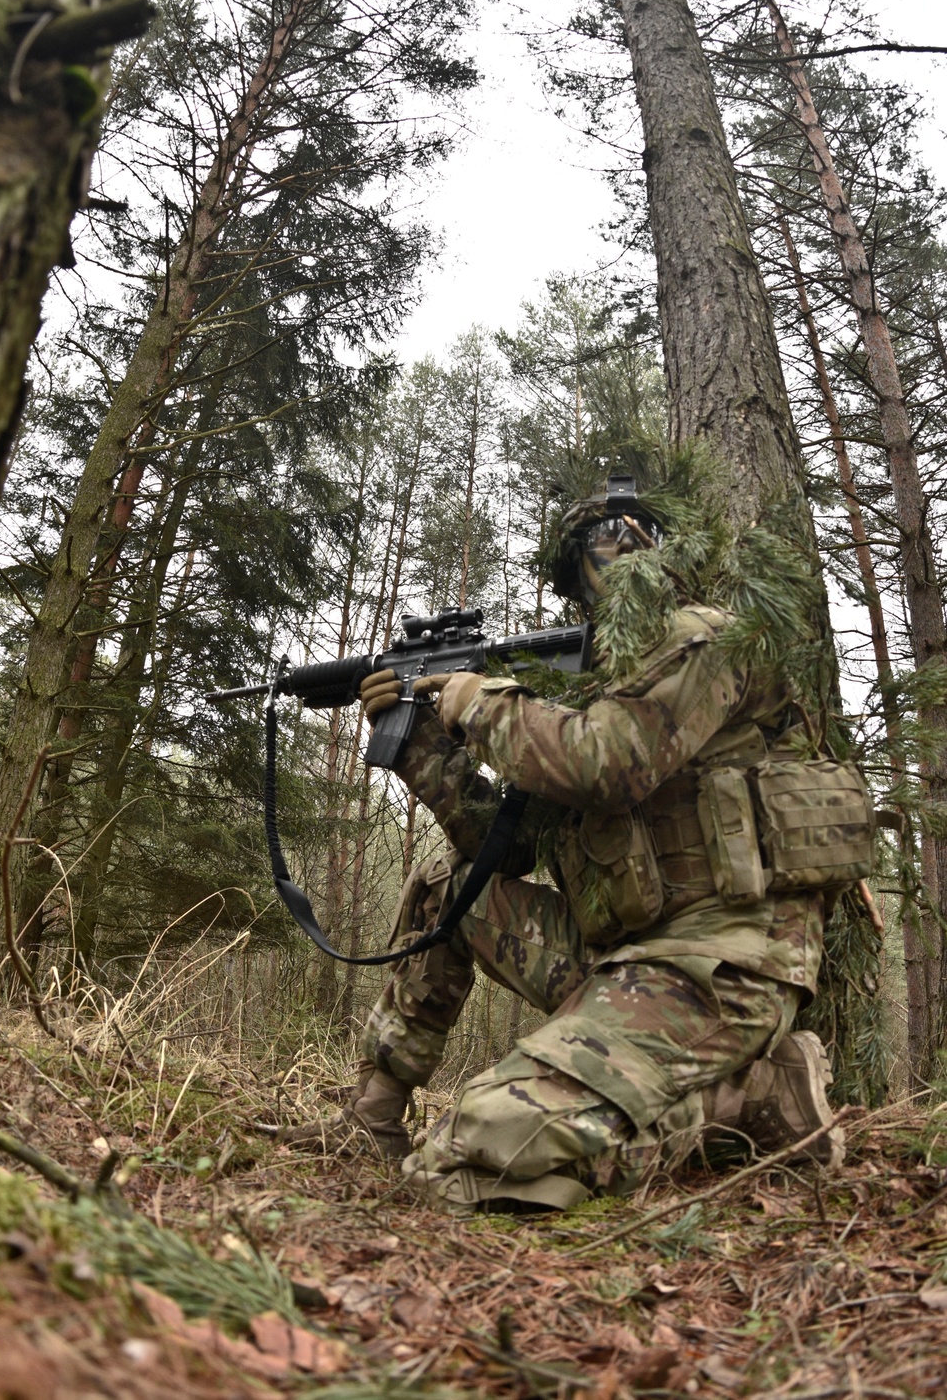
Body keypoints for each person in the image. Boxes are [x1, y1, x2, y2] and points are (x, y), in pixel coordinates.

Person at [282, 475, 859, 1214]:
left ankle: (750, 1100)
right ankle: (370, 1117)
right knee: (447, 887)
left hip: (720, 964)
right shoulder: (591, 689)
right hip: (613, 958)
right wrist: (421, 744)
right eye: (593, 550)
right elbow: (505, 849)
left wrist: (475, 700)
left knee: (470, 1154)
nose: (608, 561)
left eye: (622, 540)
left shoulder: (709, 636)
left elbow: (606, 763)